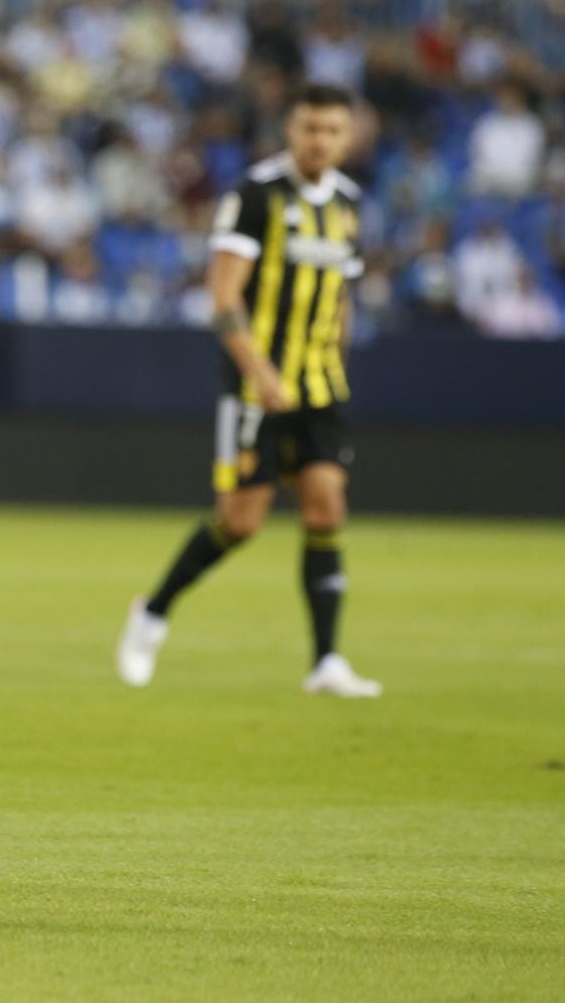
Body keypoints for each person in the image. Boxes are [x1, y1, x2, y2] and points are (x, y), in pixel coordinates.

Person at [118, 84, 381, 698]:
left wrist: (336, 364)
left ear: (348, 137)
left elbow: (342, 294)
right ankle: (152, 612)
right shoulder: (257, 195)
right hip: (255, 386)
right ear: (290, 129)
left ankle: (326, 662)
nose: (320, 140)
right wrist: (261, 374)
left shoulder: (347, 204)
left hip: (320, 385)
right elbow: (223, 294)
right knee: (240, 522)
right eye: (310, 128)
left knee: (327, 508)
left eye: (332, 130)